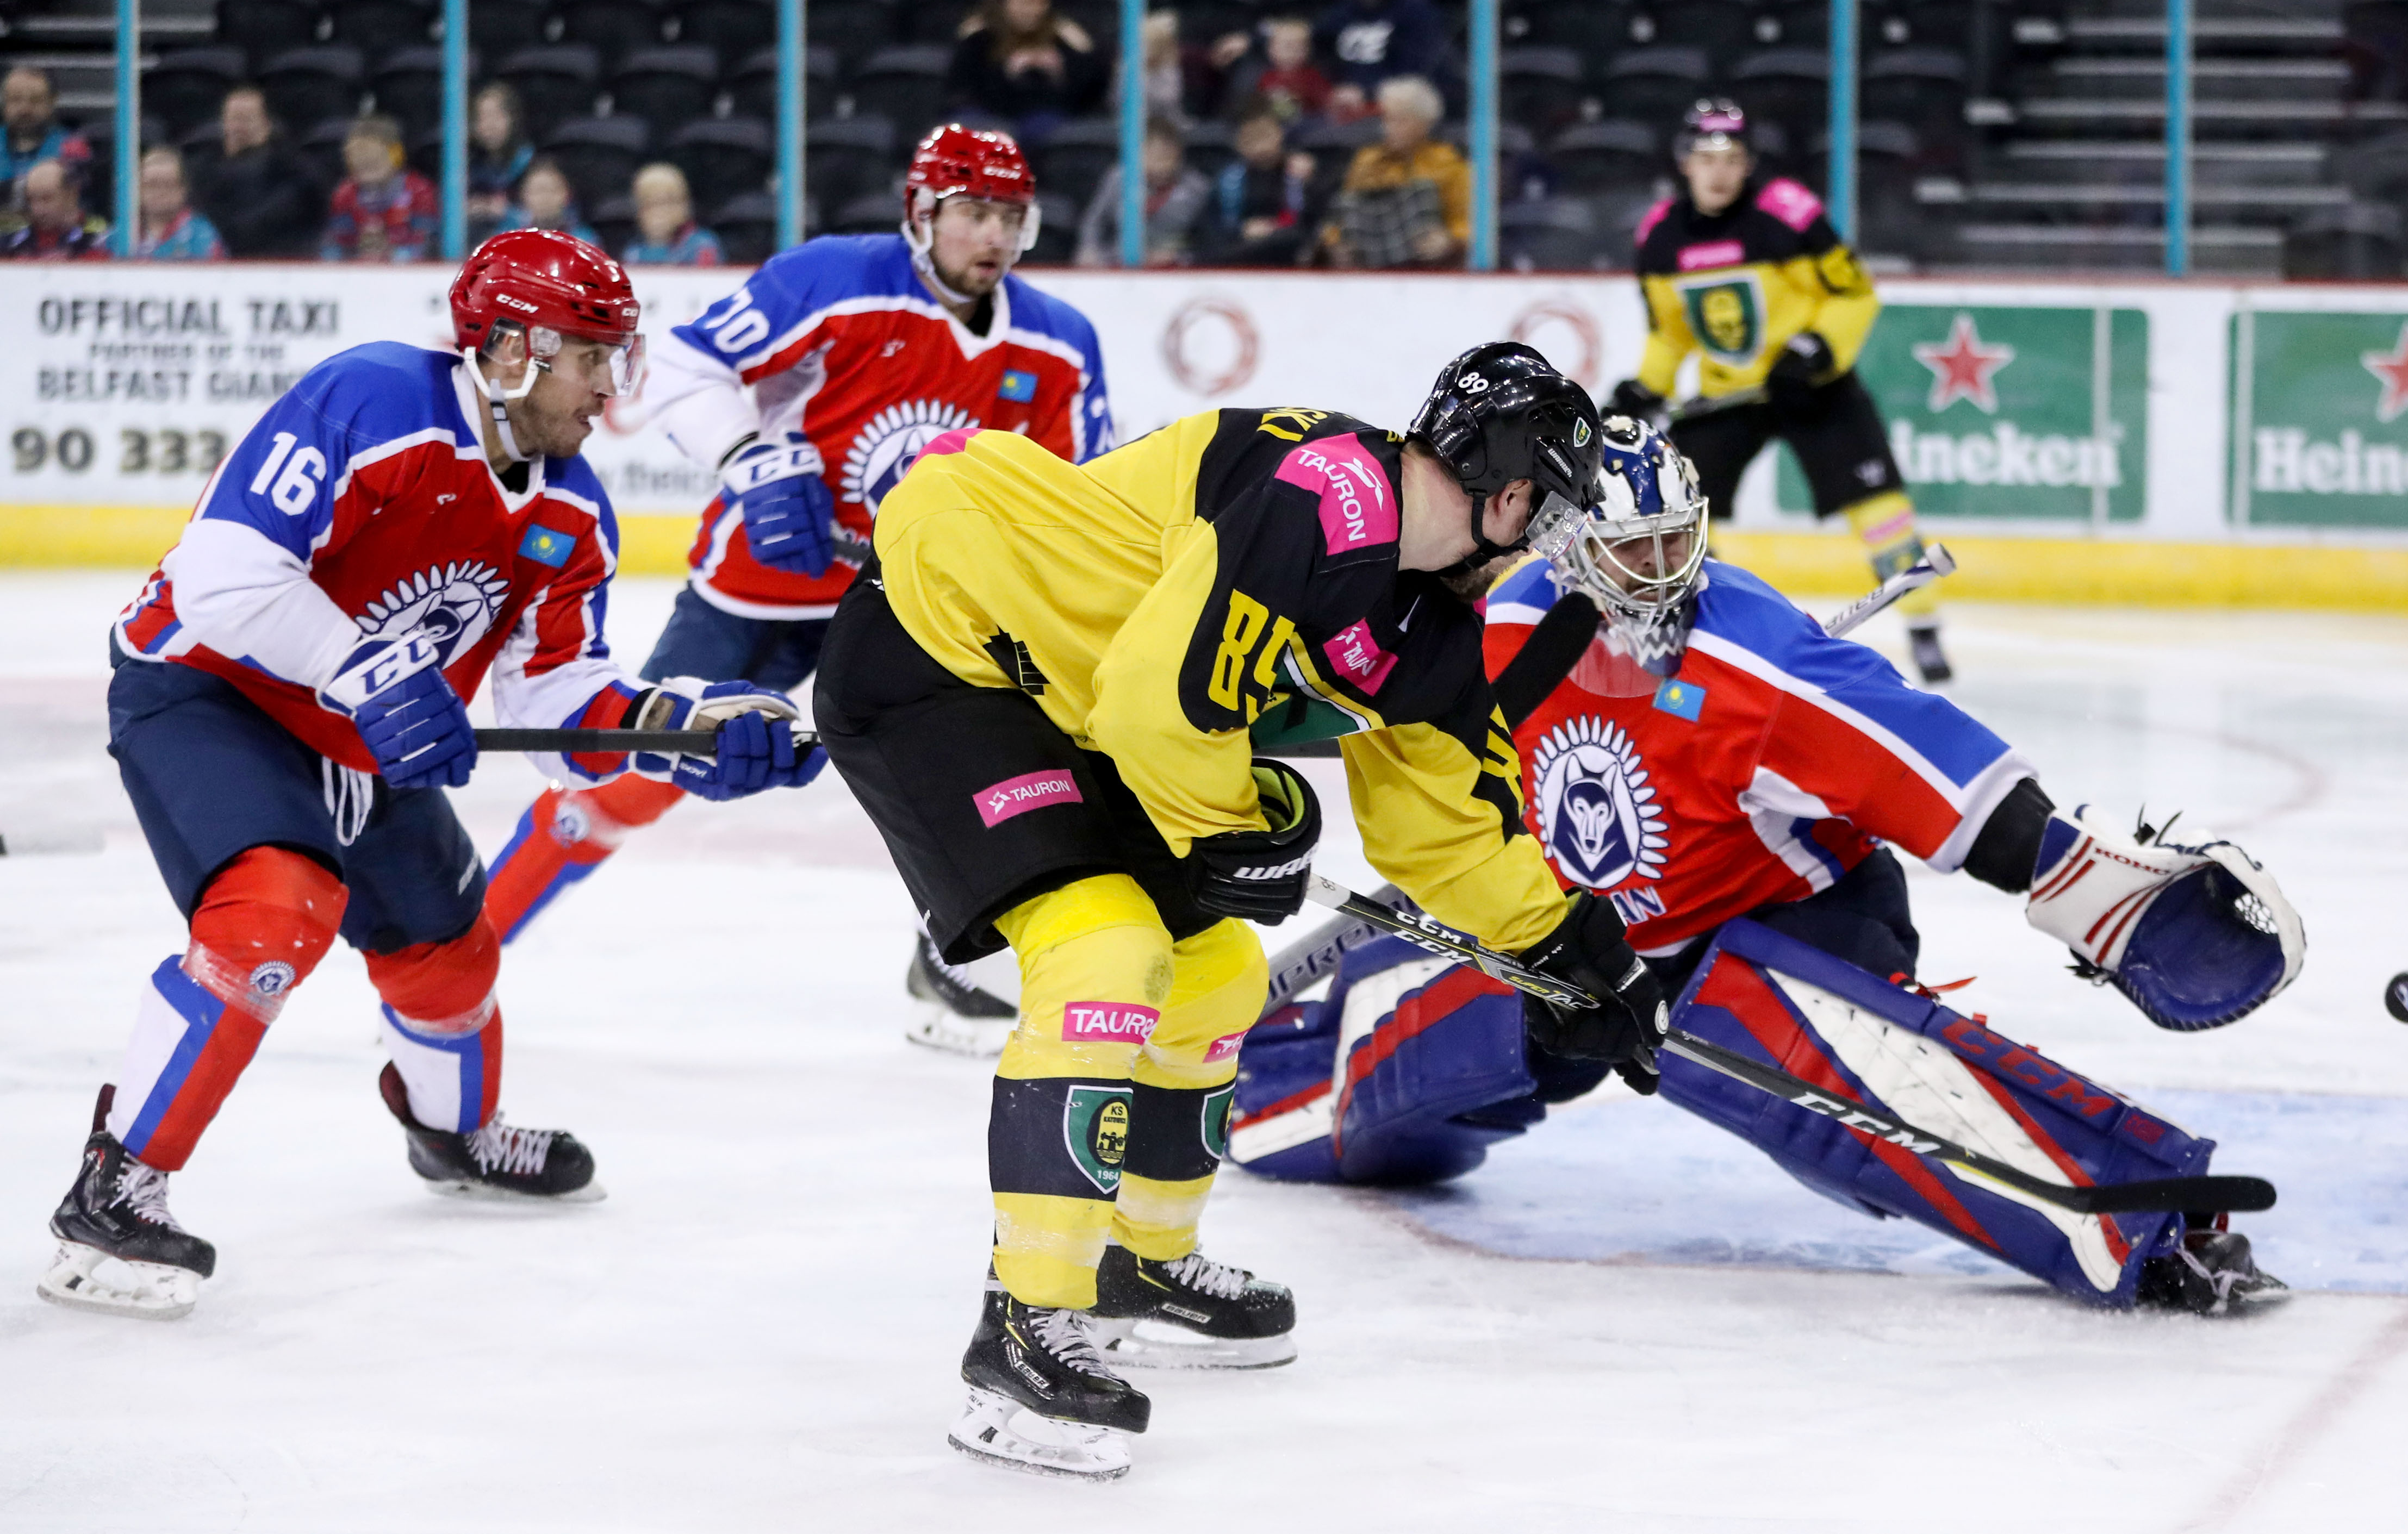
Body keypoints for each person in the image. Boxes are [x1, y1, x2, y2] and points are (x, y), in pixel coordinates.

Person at [1235, 420, 2307, 1317]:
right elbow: (1417, 783)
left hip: (1790, 925)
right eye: (1630, 551)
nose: (1659, 572)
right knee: (1402, 1046)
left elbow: (1930, 768)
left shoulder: (1753, 661)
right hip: (1585, 945)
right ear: (1564, 547)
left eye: (1672, 544)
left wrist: (2077, 873)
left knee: (1828, 1057)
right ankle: (1243, 1090)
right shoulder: (1497, 636)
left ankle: (2144, 1219)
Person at [810, 341, 1623, 1479]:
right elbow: (1162, 700)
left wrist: (1568, 951)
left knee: (1215, 978)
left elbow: (1445, 827)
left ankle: (1136, 1262)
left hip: (1073, 702)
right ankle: (1022, 1332)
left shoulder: (1424, 626)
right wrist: (1237, 823)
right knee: (1107, 957)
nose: (1545, 549)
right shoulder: (1331, 495)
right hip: (943, 643)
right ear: (1514, 488)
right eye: (1552, 518)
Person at [35, 231, 829, 1323]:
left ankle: (452, 1135)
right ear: (510, 351)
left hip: (369, 732)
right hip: (210, 691)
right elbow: (224, 571)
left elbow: (555, 704)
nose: (611, 384)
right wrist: (366, 671)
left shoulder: (569, 508)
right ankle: (116, 1183)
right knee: (274, 912)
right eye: (589, 355)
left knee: (450, 958)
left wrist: (682, 729)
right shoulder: (374, 401)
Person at [481, 125, 1108, 1058]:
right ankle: (467, 948)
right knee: (630, 772)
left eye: (1009, 218)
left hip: (919, 608)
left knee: (970, 777)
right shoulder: (833, 279)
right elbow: (687, 363)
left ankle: (948, 966)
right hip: (762, 584)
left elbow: (1076, 501)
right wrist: (751, 457)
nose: (992, 237)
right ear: (921, 213)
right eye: (973, 213)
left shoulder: (1060, 344)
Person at [1610, 100, 1953, 684]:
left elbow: (1855, 294)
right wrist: (1650, 385)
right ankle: (1707, 624)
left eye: (1733, 158)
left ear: (1749, 164)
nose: (1719, 171)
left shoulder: (1789, 215)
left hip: (1811, 386)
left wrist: (1815, 350)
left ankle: (1922, 627)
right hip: (1728, 395)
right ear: (1683, 163)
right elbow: (1670, 332)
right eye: (1706, 157)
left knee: (1879, 506)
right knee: (1675, 506)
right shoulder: (1661, 236)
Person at [947, 0, 1106, 139]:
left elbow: (1087, 96)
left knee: (1048, 129)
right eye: (1027, 1)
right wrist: (1009, 70)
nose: (1036, 9)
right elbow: (963, 91)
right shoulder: (979, 36)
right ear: (1006, 0)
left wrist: (1062, 68)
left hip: (1041, 118)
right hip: (989, 115)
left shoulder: (1061, 35)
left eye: (1042, 1)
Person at [1320, 76, 1466, 269]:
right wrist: (1336, 243)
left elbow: (1465, 223)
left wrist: (1449, 241)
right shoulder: (1367, 160)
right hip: (1368, 263)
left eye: (1400, 121)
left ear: (1425, 124)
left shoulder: (1448, 164)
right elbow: (1341, 217)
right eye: (1386, 120)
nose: (1388, 128)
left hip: (1427, 266)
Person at [1316, 0, 1447, 122]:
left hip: (1395, 112)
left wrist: (1368, 92)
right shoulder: (1337, 16)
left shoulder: (1416, 12)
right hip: (1343, 112)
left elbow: (1417, 72)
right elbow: (1321, 61)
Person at [197, 86, 325, 260]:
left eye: (246, 119)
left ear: (266, 123)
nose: (238, 127)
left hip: (281, 262)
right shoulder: (207, 169)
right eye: (234, 119)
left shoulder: (293, 169)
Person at [1073, 115, 1209, 266]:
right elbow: (1094, 221)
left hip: (1174, 265)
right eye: (1152, 155)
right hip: (1118, 260)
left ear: (1179, 154)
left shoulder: (1196, 187)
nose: (1160, 165)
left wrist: (1181, 256)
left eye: (1166, 156)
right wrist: (1089, 249)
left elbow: (1207, 238)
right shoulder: (1119, 179)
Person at [1193, 107, 1316, 267]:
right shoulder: (1228, 180)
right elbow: (1211, 225)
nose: (1261, 145)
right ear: (1239, 143)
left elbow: (1309, 222)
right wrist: (1242, 230)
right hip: (1240, 248)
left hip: (1287, 248)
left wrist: (1309, 181)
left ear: (1280, 135)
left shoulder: (1297, 173)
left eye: (1266, 136)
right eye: (1252, 138)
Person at [322, 114, 441, 263]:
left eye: (374, 160)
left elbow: (429, 242)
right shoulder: (345, 194)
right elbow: (335, 244)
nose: (364, 166)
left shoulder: (419, 191)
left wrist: (394, 253)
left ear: (396, 154)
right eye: (356, 159)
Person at [1, 64, 91, 229]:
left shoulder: (72, 148)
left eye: (35, 100)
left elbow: (74, 205)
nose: (24, 109)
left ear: (52, 102)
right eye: (15, 99)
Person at [110, 146, 228, 259]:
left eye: (168, 184)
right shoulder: (117, 237)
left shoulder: (203, 238)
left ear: (183, 189)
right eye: (152, 184)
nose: (160, 192)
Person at [621, 162, 725, 266]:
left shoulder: (703, 244)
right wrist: (657, 242)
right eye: (650, 204)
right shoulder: (634, 252)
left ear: (684, 204)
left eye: (666, 202)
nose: (659, 212)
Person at [1239, 15, 1334, 127]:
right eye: (1288, 47)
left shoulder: (1313, 75)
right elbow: (1255, 106)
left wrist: (1302, 95)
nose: (1293, 53)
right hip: (1272, 125)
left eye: (1300, 48)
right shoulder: (1264, 77)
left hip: (1306, 125)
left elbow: (1326, 103)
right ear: (1271, 50)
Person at [2, 157, 108, 257]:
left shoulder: (97, 245)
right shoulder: (9, 247)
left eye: (47, 199)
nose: (38, 210)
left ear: (71, 196)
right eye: (31, 200)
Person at [468, 82, 533, 235]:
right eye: (482, 118)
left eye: (497, 116)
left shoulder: (531, 163)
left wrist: (506, 212)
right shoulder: (468, 166)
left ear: (513, 118)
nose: (490, 125)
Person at [499, 155, 602, 246]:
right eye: (538, 191)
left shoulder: (584, 239)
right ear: (524, 195)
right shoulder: (510, 238)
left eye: (552, 190)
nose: (545, 198)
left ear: (568, 194)